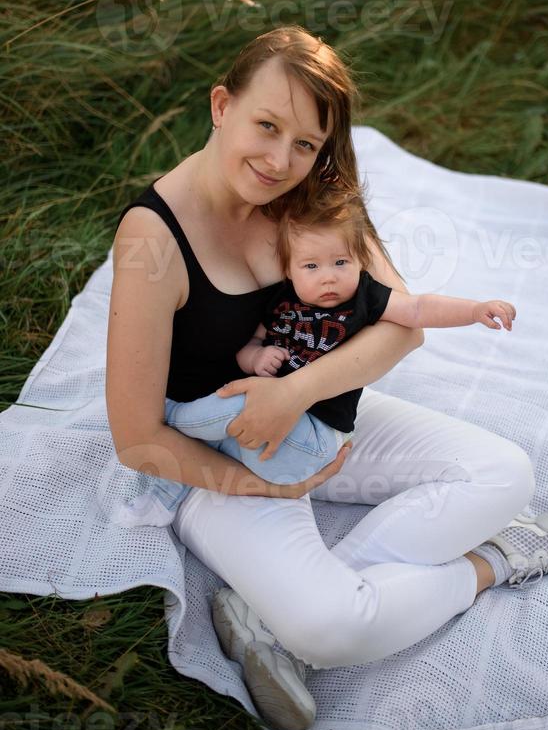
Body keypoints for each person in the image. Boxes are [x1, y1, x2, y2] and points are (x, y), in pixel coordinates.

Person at [106, 25, 548, 730]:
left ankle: (267, 615)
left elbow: (401, 322)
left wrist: (293, 395)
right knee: (331, 626)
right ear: (221, 105)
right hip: (216, 458)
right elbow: (136, 438)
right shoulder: (153, 237)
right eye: (266, 125)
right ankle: (494, 562)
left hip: (317, 424)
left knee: (505, 474)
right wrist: (267, 485)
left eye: (305, 143)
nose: (280, 159)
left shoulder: (313, 198)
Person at [112, 194, 520, 529]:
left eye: (341, 262)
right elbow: (246, 347)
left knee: (236, 406)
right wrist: (258, 357)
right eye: (312, 266)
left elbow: (417, 311)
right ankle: (168, 492)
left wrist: (475, 309)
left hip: (311, 437)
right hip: (266, 434)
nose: (328, 277)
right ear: (288, 269)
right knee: (227, 430)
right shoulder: (279, 300)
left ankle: (170, 423)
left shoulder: (365, 297)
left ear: (359, 261)